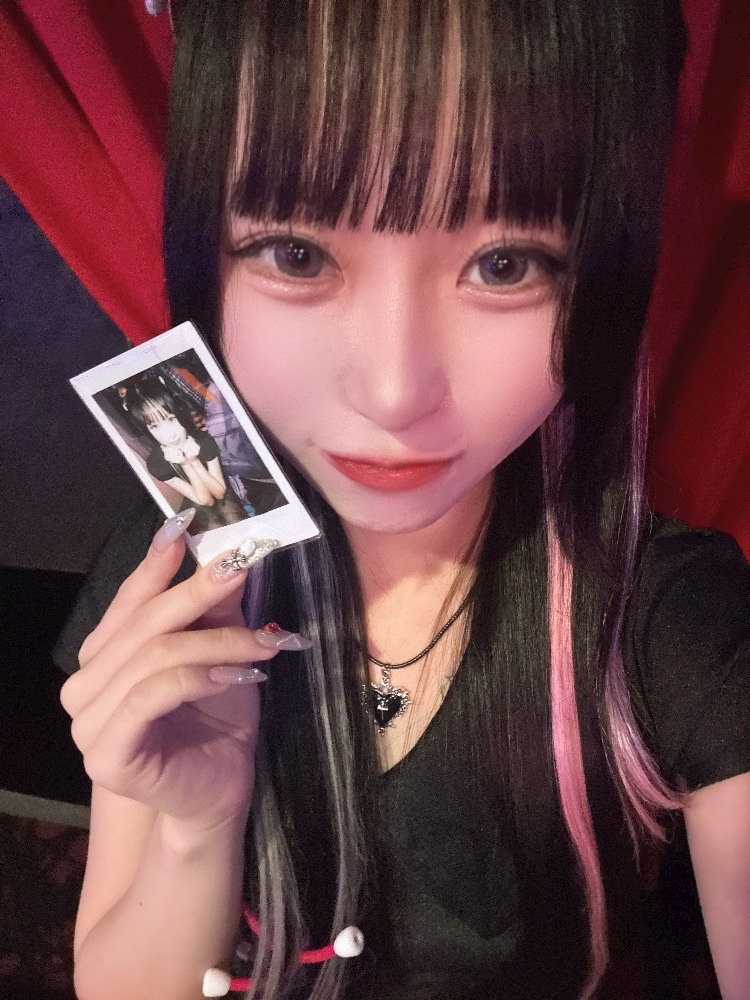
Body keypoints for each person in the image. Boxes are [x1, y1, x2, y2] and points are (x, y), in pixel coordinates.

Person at [57, 2, 750, 999]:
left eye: (504, 264)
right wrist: (196, 831)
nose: (392, 393)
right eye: (297, 254)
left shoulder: (667, 622)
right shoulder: (179, 568)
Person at [125, 375, 250, 532]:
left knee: (234, 518)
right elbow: (206, 501)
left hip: (219, 488)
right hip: (196, 497)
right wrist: (186, 464)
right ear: (147, 430)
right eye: (155, 427)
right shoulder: (156, 463)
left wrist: (195, 462)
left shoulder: (203, 440)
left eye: (171, 419)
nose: (170, 434)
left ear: (179, 414)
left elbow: (219, 493)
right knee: (211, 527)